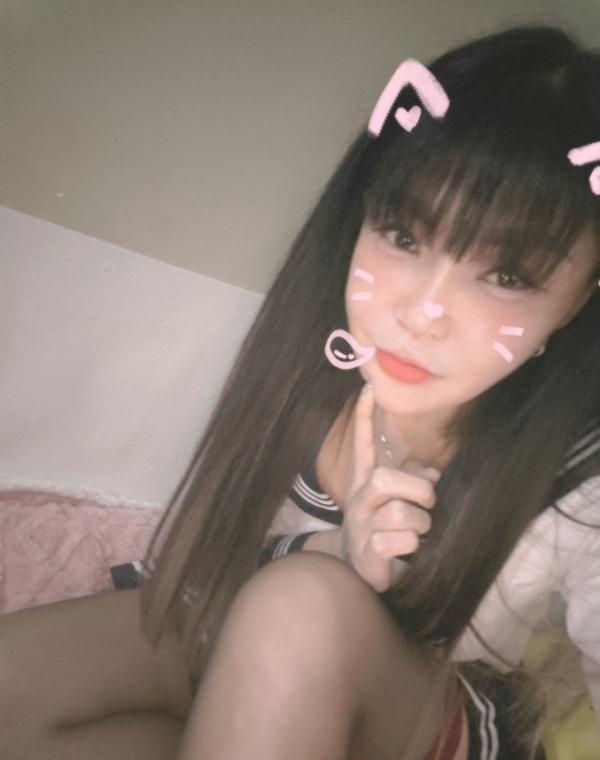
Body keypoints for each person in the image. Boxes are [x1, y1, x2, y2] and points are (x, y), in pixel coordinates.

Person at [1, 22, 600, 760]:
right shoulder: (319, 363)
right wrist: (337, 546)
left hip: (426, 723)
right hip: (263, 660)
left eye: (506, 275)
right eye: (403, 236)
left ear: (574, 304)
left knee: (300, 607)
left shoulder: (581, 487)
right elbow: (219, 559)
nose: (420, 312)